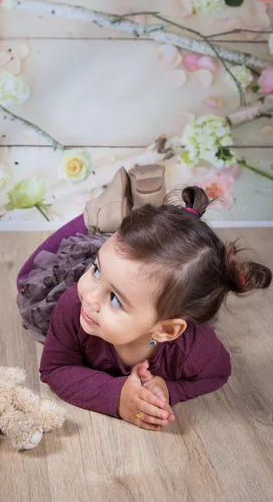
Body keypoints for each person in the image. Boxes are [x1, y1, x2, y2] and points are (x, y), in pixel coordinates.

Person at [16, 184, 271, 432]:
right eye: (96, 271)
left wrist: (170, 389)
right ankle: (98, 215)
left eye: (115, 300)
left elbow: (218, 373)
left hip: (134, 277)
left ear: (167, 331)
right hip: (91, 262)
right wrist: (116, 397)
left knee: (146, 281)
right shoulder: (75, 302)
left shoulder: (192, 348)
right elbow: (54, 368)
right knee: (26, 280)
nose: (91, 299)